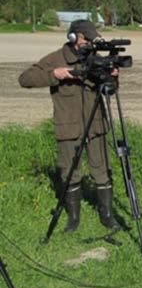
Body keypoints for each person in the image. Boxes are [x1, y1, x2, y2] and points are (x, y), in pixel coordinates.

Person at [19, 20, 122, 233]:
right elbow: (25, 79)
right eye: (87, 38)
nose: (90, 42)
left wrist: (112, 79)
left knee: (102, 170)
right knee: (69, 172)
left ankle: (107, 216)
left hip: (96, 124)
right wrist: (54, 75)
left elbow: (110, 90)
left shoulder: (95, 59)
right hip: (68, 126)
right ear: (73, 37)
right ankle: (73, 218)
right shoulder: (56, 58)